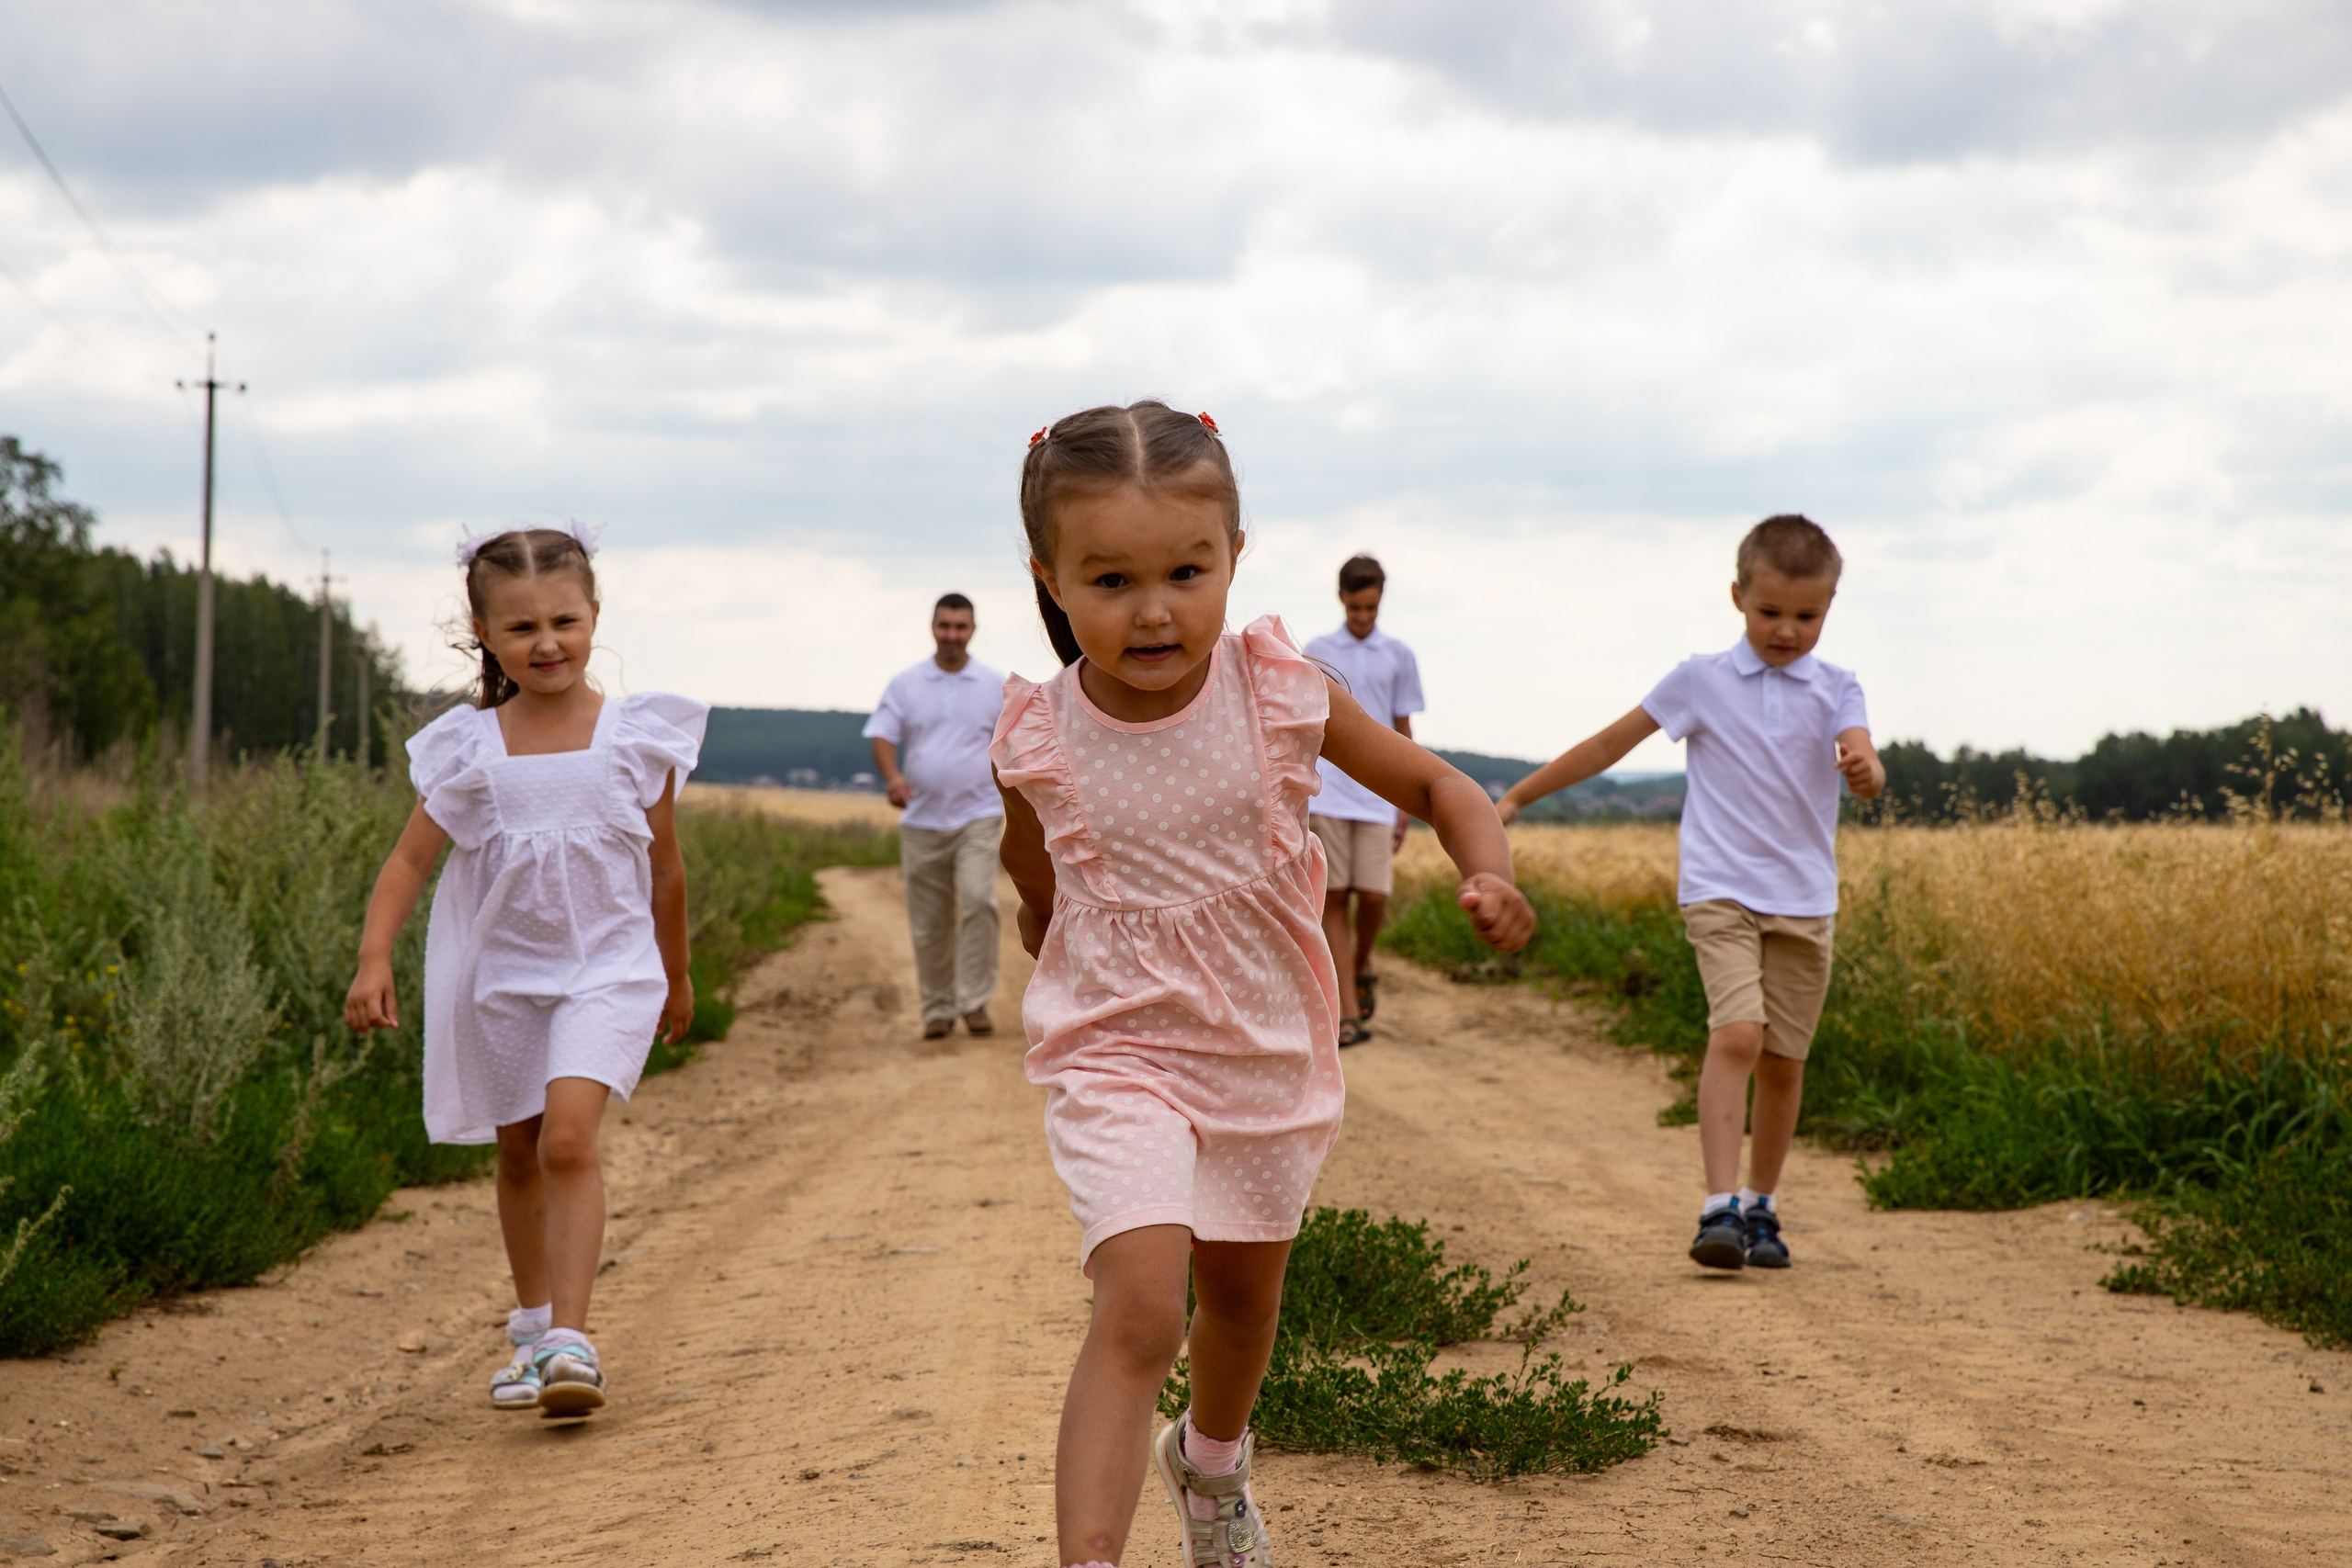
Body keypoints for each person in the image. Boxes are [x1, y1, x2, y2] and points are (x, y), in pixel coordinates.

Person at [994, 402, 1534, 1568]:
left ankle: (1210, 1464)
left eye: (1186, 571)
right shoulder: (1039, 732)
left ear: (1234, 556)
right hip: (1117, 1048)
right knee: (1140, 1305)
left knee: (1238, 1309)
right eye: (1111, 580)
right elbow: (1031, 872)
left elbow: (1441, 787)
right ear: (1049, 576)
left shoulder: (1277, 689)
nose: (1154, 609)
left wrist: (1488, 874)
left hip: (1267, 1044)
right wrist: (1059, 946)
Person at [344, 525, 706, 1417]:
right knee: (516, 1153)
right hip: (505, 981)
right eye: (521, 628)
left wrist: (678, 972)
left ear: (593, 618)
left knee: (568, 1140)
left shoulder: (634, 737)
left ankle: (570, 1344)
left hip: (611, 973)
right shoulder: (470, 749)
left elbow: (665, 868)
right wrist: (373, 957)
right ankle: (534, 1330)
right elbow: (406, 863)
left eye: (564, 621)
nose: (546, 643)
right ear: (484, 632)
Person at [1497, 514, 1883, 1273]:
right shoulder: (1702, 679)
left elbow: (1862, 746)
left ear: (1829, 608)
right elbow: (1612, 744)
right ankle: (1718, 1206)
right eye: (1770, 612)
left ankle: (1761, 1205)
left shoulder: (1838, 685)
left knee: (1783, 1060)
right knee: (1738, 1033)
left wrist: (1868, 770)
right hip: (1721, 889)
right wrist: (1513, 799)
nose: (1786, 630)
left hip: (1805, 898)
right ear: (1738, 595)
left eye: (1806, 616)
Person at [865, 593, 1008, 1039]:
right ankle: (938, 1009)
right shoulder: (907, 683)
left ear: (973, 630)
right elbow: (883, 734)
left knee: (979, 901)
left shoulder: (992, 684)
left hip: (979, 815)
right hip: (922, 819)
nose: (952, 635)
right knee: (930, 922)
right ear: (933, 627)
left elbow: (1011, 743)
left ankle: (975, 1001)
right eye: (945, 626)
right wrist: (892, 778)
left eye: (961, 627)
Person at [1304, 554, 1424, 1046]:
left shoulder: (1399, 655)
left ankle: (1355, 967)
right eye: (1356, 607)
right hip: (1328, 792)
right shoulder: (1316, 652)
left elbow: (1404, 730)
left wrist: (1407, 801)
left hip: (1379, 794)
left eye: (1371, 608)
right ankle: (1347, 1013)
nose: (1363, 617)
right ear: (1341, 600)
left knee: (1373, 896)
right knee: (1333, 897)